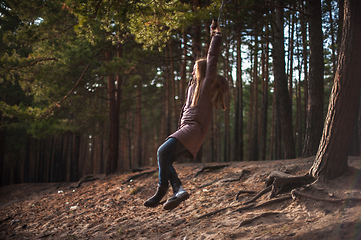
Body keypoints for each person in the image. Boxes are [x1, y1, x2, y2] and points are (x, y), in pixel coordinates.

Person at [144, 21, 228, 210]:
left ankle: (162, 189)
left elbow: (212, 58)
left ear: (201, 72)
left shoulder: (206, 85)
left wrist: (215, 35)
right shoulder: (194, 89)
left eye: (194, 70)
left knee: (162, 152)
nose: (191, 73)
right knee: (166, 159)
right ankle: (178, 190)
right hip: (189, 130)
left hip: (193, 129)